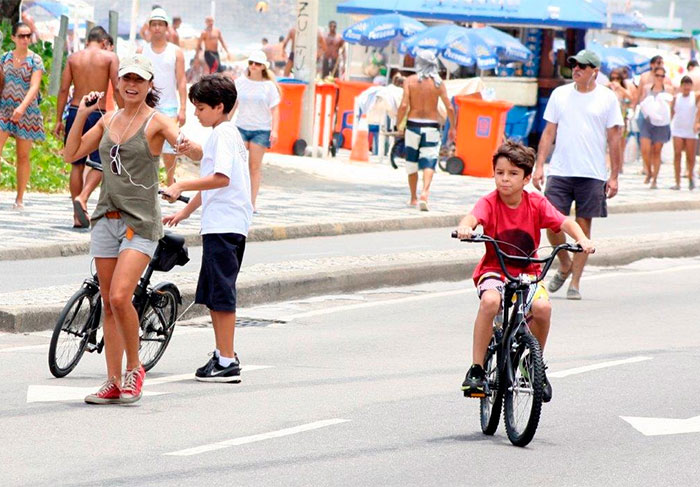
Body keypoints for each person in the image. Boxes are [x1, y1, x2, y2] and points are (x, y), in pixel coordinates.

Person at [62, 54, 200, 404]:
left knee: (122, 296)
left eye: (140, 80)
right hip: (106, 218)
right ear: (119, 83)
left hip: (140, 223)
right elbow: (70, 153)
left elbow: (189, 146)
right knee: (108, 302)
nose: (132, 85)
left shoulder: (156, 122)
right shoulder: (108, 120)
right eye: (127, 79)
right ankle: (111, 381)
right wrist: (81, 113)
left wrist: (188, 146)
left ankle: (134, 368)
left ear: (150, 84)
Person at [457, 141, 595, 400]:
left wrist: (581, 239)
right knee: (490, 301)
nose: (505, 179)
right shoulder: (489, 202)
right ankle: (476, 368)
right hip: (495, 271)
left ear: (527, 178)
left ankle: (534, 365)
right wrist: (467, 228)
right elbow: (471, 218)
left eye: (513, 174)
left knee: (543, 309)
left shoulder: (536, 203)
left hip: (529, 273)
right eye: (500, 173)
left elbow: (565, 222)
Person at [162, 75, 252, 382]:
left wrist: (182, 183)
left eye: (201, 108)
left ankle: (227, 360)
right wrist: (185, 211)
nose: (197, 114)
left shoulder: (223, 134)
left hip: (225, 225)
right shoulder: (225, 133)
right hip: (225, 224)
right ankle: (223, 353)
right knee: (215, 293)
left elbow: (221, 179)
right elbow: (213, 174)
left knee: (221, 294)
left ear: (219, 107)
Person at [532, 49, 622, 300]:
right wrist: (539, 165)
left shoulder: (607, 98)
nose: (577, 69)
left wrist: (614, 175)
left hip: (592, 173)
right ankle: (564, 262)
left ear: (595, 70)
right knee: (550, 222)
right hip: (560, 169)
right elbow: (549, 132)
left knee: (583, 228)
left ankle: (576, 282)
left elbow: (615, 138)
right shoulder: (560, 94)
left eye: (583, 65)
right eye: (574, 65)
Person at [56, 26, 122, 228]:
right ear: (104, 42)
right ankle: (83, 198)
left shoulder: (74, 58)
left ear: (88, 41)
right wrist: (125, 113)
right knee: (101, 161)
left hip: (77, 110)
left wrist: (59, 118)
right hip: (98, 112)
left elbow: (64, 89)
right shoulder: (109, 57)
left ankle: (78, 216)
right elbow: (117, 86)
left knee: (76, 163)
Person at [395, 50, 456, 212]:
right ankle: (425, 193)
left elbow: (403, 106)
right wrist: (453, 127)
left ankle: (413, 198)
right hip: (431, 125)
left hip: (413, 125)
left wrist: (398, 123)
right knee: (429, 161)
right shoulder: (438, 83)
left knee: (411, 162)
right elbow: (449, 107)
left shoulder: (410, 81)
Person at [139, 7, 187, 187]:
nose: (157, 28)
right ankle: (149, 180)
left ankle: (170, 179)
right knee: (146, 143)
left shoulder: (176, 52)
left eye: (161, 24)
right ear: (149, 27)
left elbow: (181, 80)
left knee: (170, 146)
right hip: (147, 105)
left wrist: (183, 108)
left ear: (167, 27)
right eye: (154, 24)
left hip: (169, 105)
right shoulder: (141, 50)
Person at [0, 22, 45, 210]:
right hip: (3, 108)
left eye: (28, 36)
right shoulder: (4, 58)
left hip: (27, 112)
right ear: (13, 38)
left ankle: (19, 198)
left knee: (23, 156)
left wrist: (21, 108)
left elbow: (34, 86)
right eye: (21, 36)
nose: (26, 39)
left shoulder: (35, 60)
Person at [234, 50, 280, 211]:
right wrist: (224, 124)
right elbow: (234, 105)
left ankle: (251, 203)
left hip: (261, 130)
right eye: (251, 63)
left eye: (257, 64)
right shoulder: (240, 82)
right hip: (241, 126)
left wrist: (274, 131)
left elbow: (275, 110)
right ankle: (237, 199)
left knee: (254, 167)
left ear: (263, 67)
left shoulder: (269, 87)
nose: (253, 66)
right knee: (236, 164)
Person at [639, 66, 672, 189]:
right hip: (648, 122)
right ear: (653, 76)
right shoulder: (647, 88)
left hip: (662, 124)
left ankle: (655, 179)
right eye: (657, 75)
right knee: (645, 149)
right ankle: (648, 171)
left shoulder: (668, 89)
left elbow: (670, 106)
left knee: (656, 152)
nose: (659, 78)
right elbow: (641, 102)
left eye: (662, 76)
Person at [670, 75, 699, 190]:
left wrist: (697, 122)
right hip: (678, 129)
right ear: (681, 86)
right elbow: (672, 112)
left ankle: (691, 176)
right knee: (677, 154)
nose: (686, 87)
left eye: (688, 84)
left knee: (690, 156)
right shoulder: (676, 98)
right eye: (684, 84)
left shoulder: (695, 96)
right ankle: (677, 182)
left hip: (690, 130)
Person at [607, 67, 633, 173]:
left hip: (621, 117)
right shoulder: (608, 88)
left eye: (617, 78)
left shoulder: (623, 88)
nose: (615, 80)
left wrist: (619, 88)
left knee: (621, 143)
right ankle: (609, 164)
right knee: (610, 142)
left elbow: (631, 97)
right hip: (609, 117)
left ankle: (620, 165)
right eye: (612, 78)